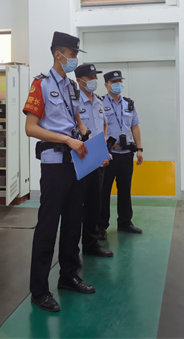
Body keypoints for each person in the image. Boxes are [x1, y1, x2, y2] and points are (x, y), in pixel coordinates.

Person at [23, 31, 95, 313]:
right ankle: (39, 289)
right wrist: (66, 139)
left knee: (74, 221)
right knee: (48, 225)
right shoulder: (40, 84)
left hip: (76, 161)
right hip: (54, 163)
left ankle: (69, 275)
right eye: (73, 54)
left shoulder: (72, 87)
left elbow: (77, 119)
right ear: (58, 54)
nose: (75, 59)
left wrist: (87, 136)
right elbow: (31, 128)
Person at [73, 64, 113, 258]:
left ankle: (91, 243)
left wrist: (104, 149)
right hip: (81, 160)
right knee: (77, 206)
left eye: (95, 77)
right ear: (79, 80)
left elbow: (104, 125)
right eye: (90, 78)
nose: (94, 80)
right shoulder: (74, 101)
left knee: (94, 204)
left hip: (97, 160)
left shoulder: (98, 101)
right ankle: (73, 249)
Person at [99, 71, 144, 237]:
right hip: (108, 154)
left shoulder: (129, 104)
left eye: (120, 81)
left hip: (126, 153)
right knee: (103, 191)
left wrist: (139, 149)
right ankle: (100, 226)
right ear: (106, 85)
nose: (118, 84)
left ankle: (125, 222)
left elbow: (135, 127)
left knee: (125, 189)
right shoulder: (99, 103)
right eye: (114, 81)